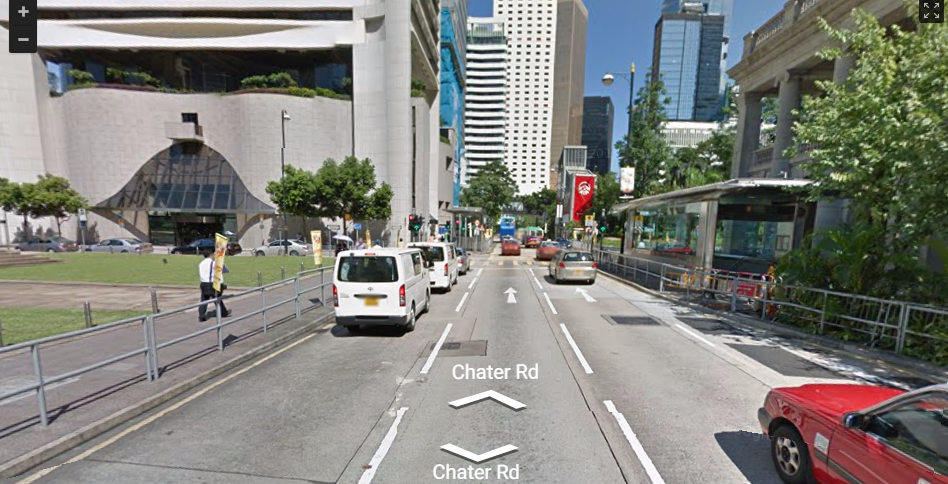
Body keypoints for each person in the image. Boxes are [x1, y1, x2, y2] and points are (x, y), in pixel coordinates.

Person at [198, 249, 231, 322]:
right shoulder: (213, 263)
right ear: (211, 254)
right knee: (217, 299)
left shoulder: (201, 263)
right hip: (212, 283)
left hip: (203, 283)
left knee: (204, 299)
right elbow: (224, 270)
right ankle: (223, 313)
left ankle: (201, 315)